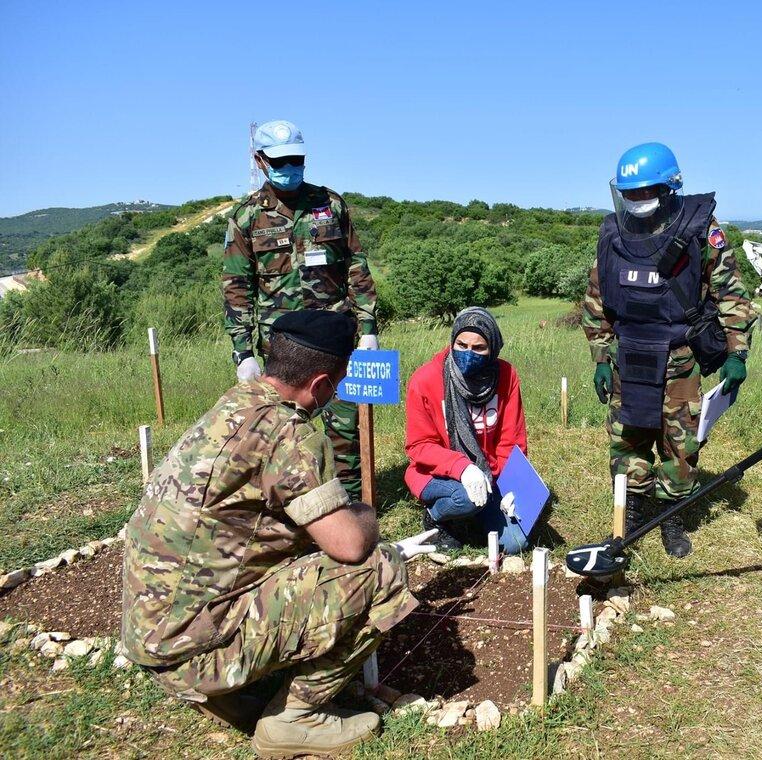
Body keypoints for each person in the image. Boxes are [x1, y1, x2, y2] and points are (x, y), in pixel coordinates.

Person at [121, 310, 435, 757]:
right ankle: (295, 718)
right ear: (322, 384)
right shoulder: (289, 432)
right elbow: (348, 544)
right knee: (379, 567)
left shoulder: (232, 405)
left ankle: (229, 693)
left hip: (153, 636)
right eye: (339, 382)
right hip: (193, 652)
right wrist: (365, 513)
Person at [583, 142, 757, 558]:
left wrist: (737, 353)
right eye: (631, 193)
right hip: (629, 357)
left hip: (680, 357)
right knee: (628, 438)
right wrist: (601, 357)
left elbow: (731, 294)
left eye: (647, 191)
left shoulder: (701, 230)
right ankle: (637, 513)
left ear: (669, 187)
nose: (639, 201)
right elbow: (598, 298)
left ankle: (673, 517)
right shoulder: (612, 233)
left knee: (679, 443)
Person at [222, 119, 380, 501]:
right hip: (283, 348)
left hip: (334, 339)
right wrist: (242, 352)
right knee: (284, 429)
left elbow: (355, 264)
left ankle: (350, 506)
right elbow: (236, 287)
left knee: (344, 427)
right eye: (279, 160)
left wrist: (369, 325)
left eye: (296, 159)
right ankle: (291, 506)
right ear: (259, 160)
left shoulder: (330, 205)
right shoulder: (247, 217)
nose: (289, 167)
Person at [404, 307, 530, 554]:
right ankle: (436, 517)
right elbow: (418, 446)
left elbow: (512, 439)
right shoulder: (425, 379)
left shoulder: (506, 376)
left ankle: (474, 515)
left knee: (517, 543)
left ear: (493, 348)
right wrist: (462, 468)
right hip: (436, 474)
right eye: (461, 345)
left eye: (479, 348)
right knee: (467, 497)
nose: (468, 354)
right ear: (452, 342)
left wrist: (510, 485)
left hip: (489, 473)